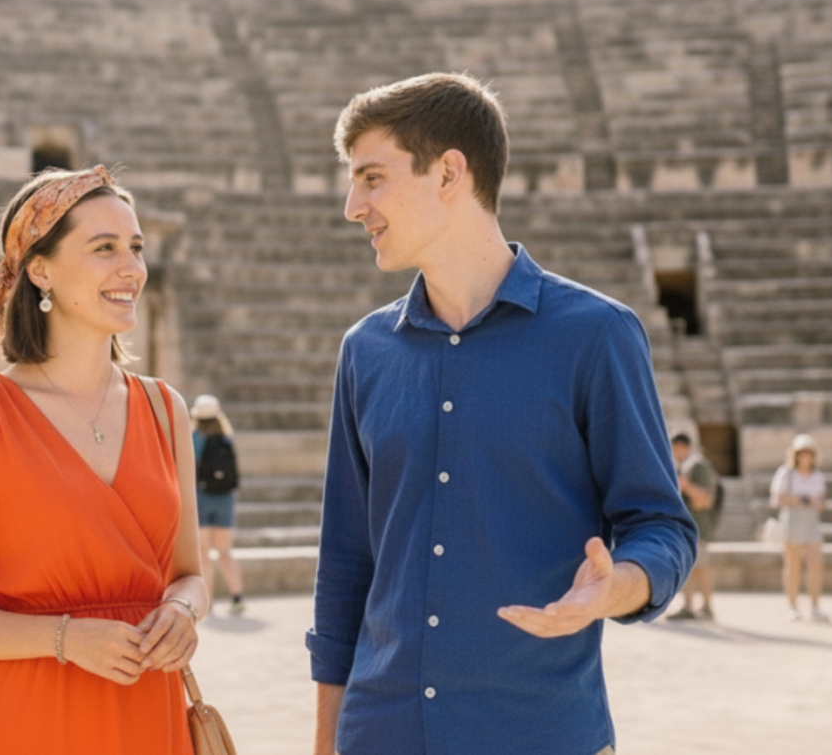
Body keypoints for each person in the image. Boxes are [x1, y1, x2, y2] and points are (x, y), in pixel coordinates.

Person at [307, 73, 697, 755]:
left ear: (449, 173)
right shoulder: (365, 352)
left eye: (372, 178)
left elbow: (661, 524)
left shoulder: (595, 334)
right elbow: (345, 566)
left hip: (542, 733)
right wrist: (325, 741)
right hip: (380, 734)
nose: (351, 206)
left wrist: (618, 589)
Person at [0, 166, 207, 755]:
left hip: (150, 708)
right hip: (30, 716)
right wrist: (66, 639)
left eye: (136, 248)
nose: (132, 268)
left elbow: (191, 574)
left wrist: (181, 610)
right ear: (40, 270)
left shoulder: (165, 408)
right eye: (104, 248)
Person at [191, 394, 245, 615]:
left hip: (201, 497)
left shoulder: (194, 438)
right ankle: (237, 597)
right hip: (225, 498)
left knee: (204, 554)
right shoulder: (226, 438)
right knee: (225, 552)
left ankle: (208, 601)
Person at [770, 433, 828, 621]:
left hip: (811, 521)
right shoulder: (786, 473)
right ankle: (792, 605)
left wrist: (809, 501)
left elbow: (822, 502)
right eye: (801, 452)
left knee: (815, 565)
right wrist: (800, 499)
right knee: (793, 565)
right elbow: (777, 499)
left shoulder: (817, 476)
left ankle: (815, 605)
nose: (805, 456)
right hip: (792, 520)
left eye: (808, 452)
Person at [667, 433, 720, 620]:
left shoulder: (698, 466)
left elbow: (706, 500)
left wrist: (686, 486)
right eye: (675, 446)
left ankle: (707, 607)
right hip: (683, 527)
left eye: (681, 446)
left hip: (698, 526)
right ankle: (688, 606)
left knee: (702, 568)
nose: (678, 450)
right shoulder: (680, 467)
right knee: (686, 568)